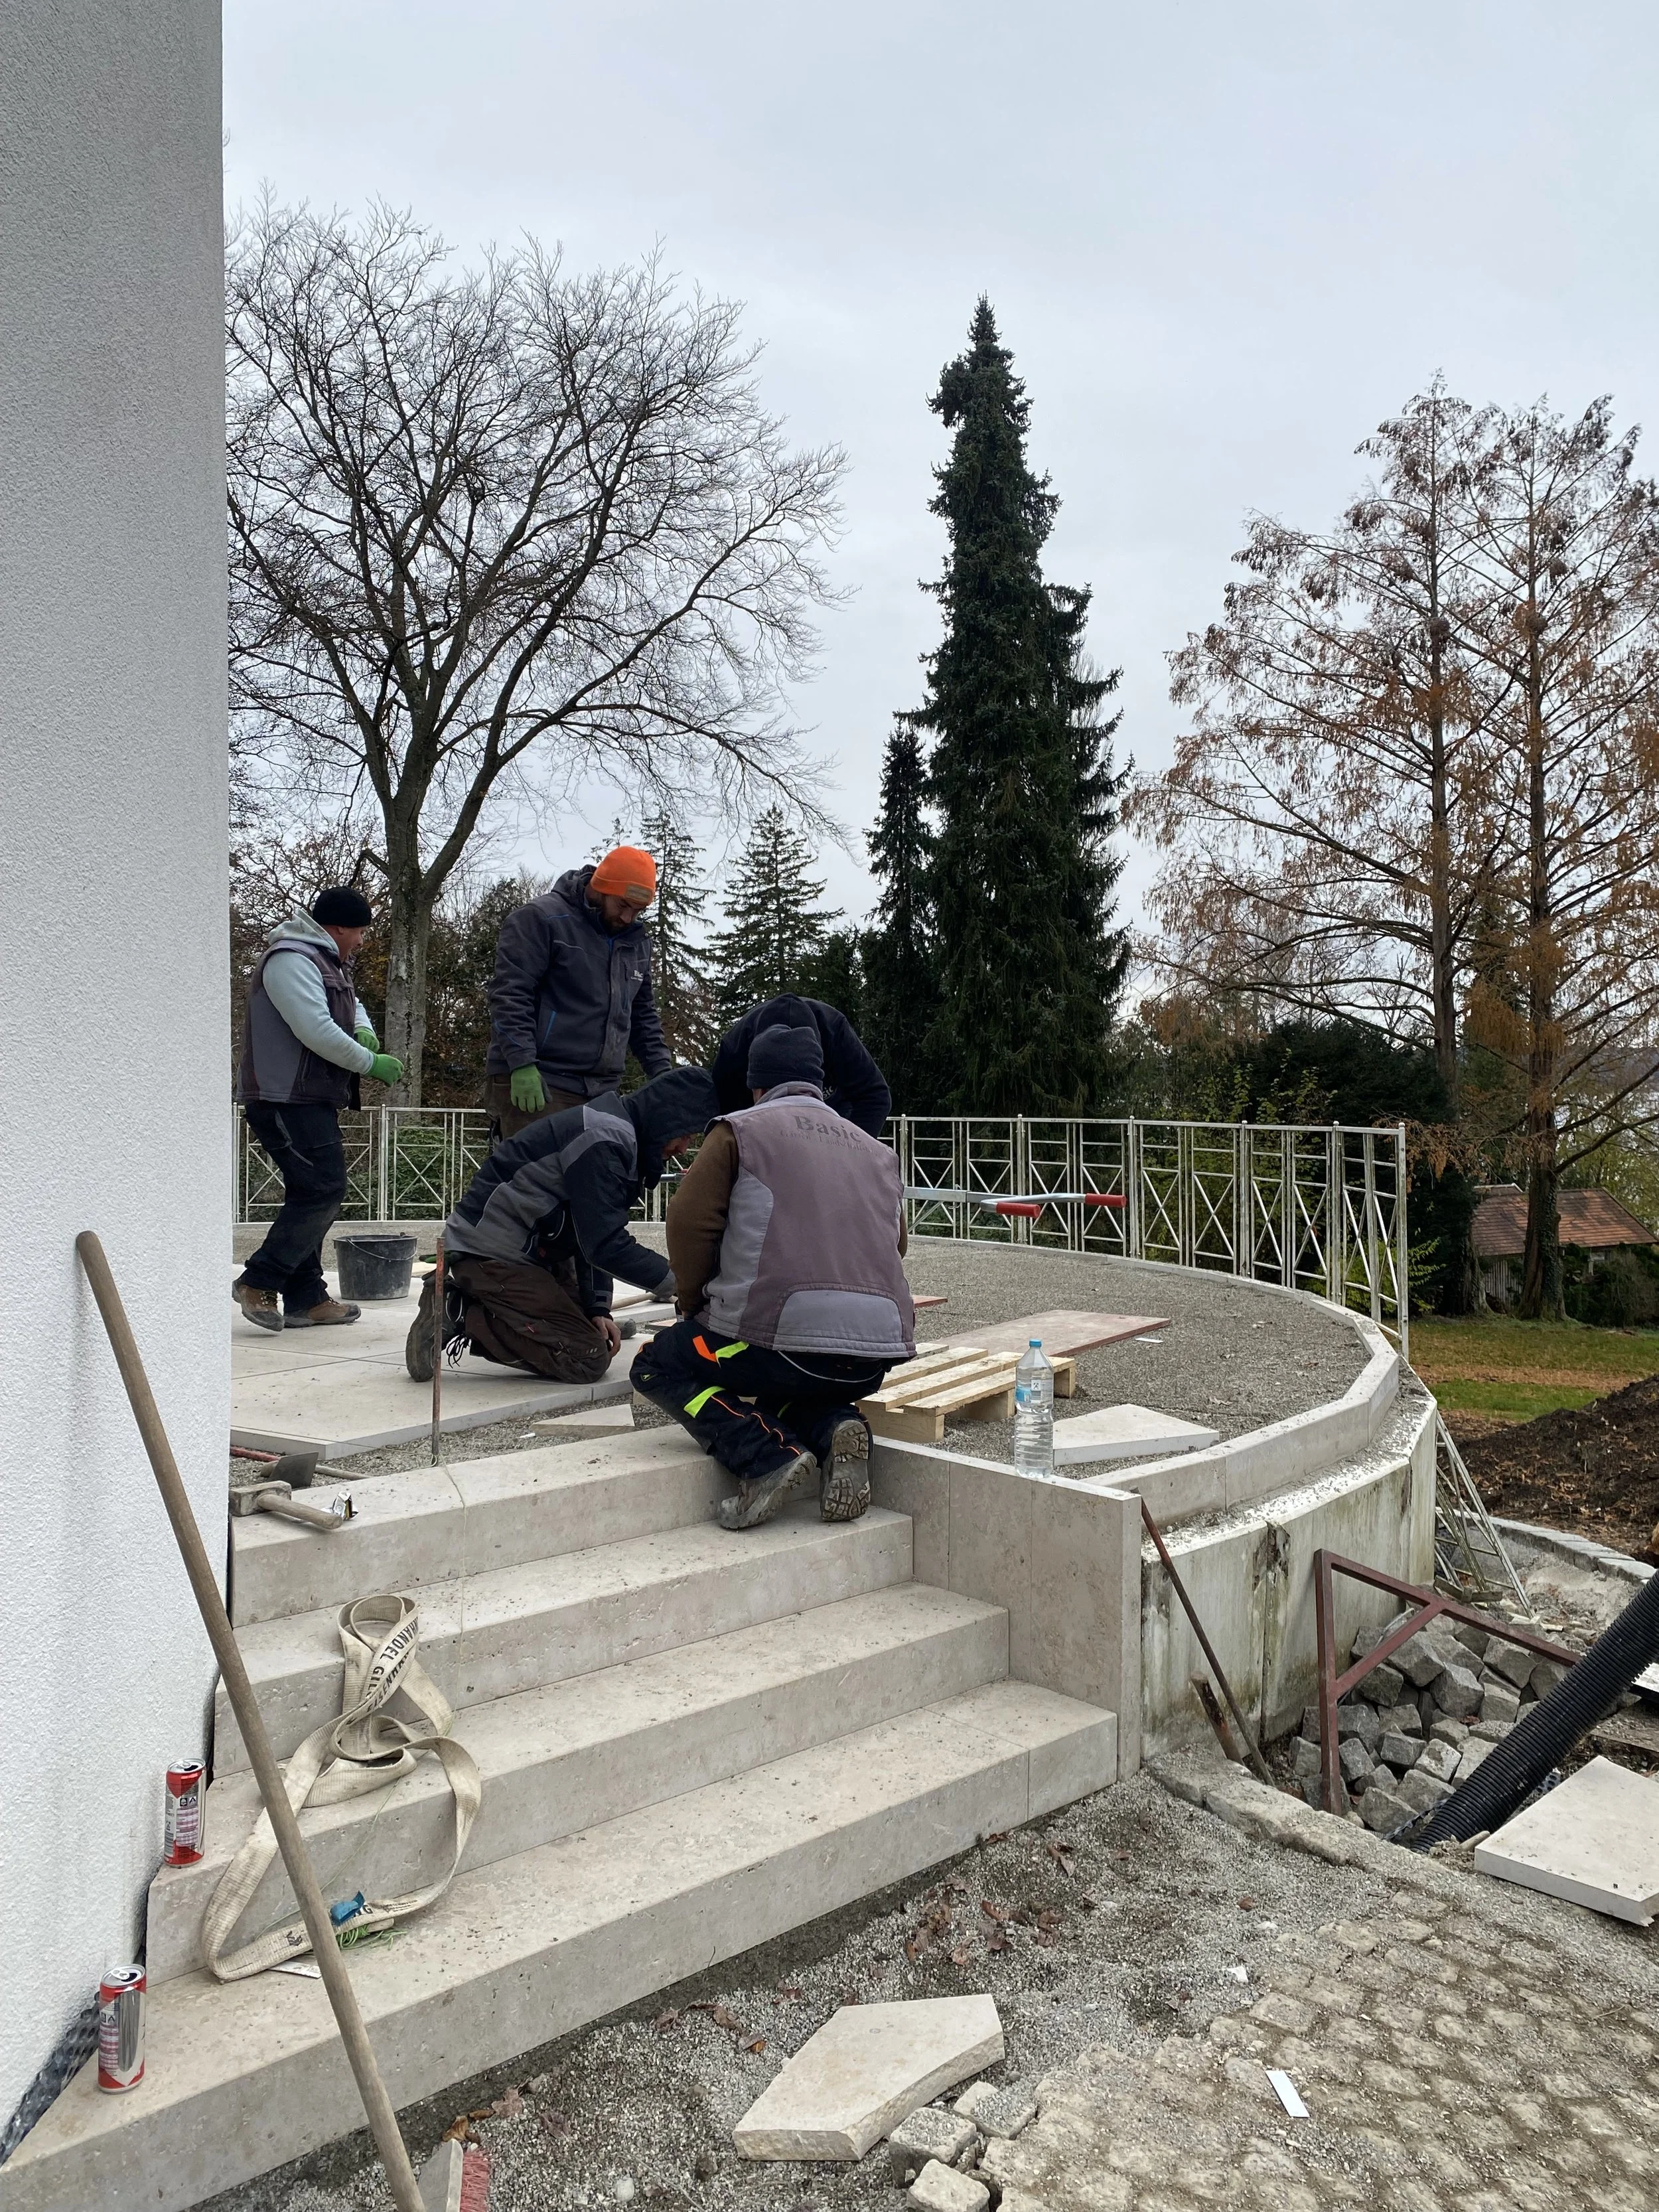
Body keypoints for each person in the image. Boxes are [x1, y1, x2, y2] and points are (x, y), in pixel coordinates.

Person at [634, 1024, 914, 1531]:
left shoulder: (740, 1130)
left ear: (756, 1086)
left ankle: (764, 1456)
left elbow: (688, 1221)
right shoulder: (875, 1149)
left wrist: (694, 1304)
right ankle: (837, 1427)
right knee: (787, 1382)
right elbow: (895, 1245)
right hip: (871, 1358)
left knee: (657, 1365)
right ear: (818, 1084)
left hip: (776, 1344)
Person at [407, 1064, 719, 1384]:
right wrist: (683, 1284)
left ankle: (524, 1310)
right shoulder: (606, 1140)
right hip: (491, 1253)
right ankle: (459, 1312)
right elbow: (606, 1245)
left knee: (592, 1333)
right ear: (665, 1118)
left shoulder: (618, 1131)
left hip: (528, 1251)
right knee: (586, 1358)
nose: (683, 1149)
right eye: (683, 1136)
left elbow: (591, 1233)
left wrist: (598, 1309)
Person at [234, 887, 403, 1331]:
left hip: (309, 1096)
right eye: (362, 931)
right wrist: (370, 1063)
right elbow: (315, 1029)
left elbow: (353, 1005)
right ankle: (258, 1280)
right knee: (323, 1189)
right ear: (340, 927)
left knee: (310, 1191)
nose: (363, 940)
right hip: (283, 1098)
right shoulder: (291, 959)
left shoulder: (326, 962)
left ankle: (306, 1297)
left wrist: (364, 1030)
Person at [484, 845, 671, 1143]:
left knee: (593, 1187)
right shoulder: (540, 919)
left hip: (601, 1091)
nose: (628, 917)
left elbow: (643, 1015)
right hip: (540, 1082)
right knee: (531, 1186)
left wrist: (663, 1074)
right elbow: (510, 995)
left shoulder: (636, 943)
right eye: (623, 905)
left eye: (638, 911)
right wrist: (521, 1063)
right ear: (601, 888)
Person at [711, 993, 891, 1136]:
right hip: (757, 1120)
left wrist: (851, 1153)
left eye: (799, 1092)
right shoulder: (734, 1052)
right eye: (778, 1094)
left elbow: (875, 1096)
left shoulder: (836, 1034)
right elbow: (723, 1117)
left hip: (829, 1117)